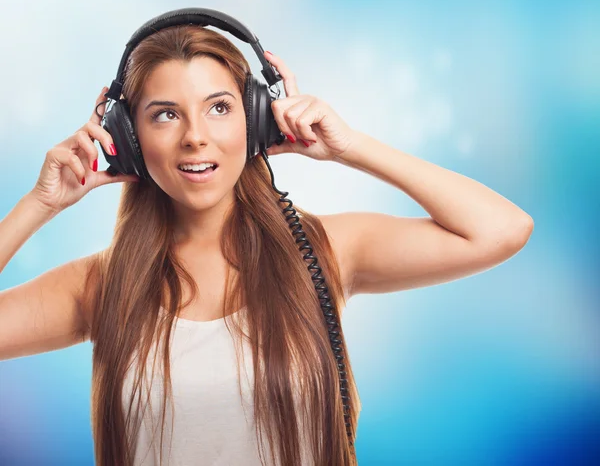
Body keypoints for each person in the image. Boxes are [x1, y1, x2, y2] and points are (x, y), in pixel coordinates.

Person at [0, 24, 534, 466]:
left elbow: (501, 229)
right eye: (166, 114)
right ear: (128, 139)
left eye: (219, 108)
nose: (195, 136)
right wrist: (40, 204)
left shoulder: (323, 249)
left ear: (256, 117)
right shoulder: (101, 284)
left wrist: (350, 148)